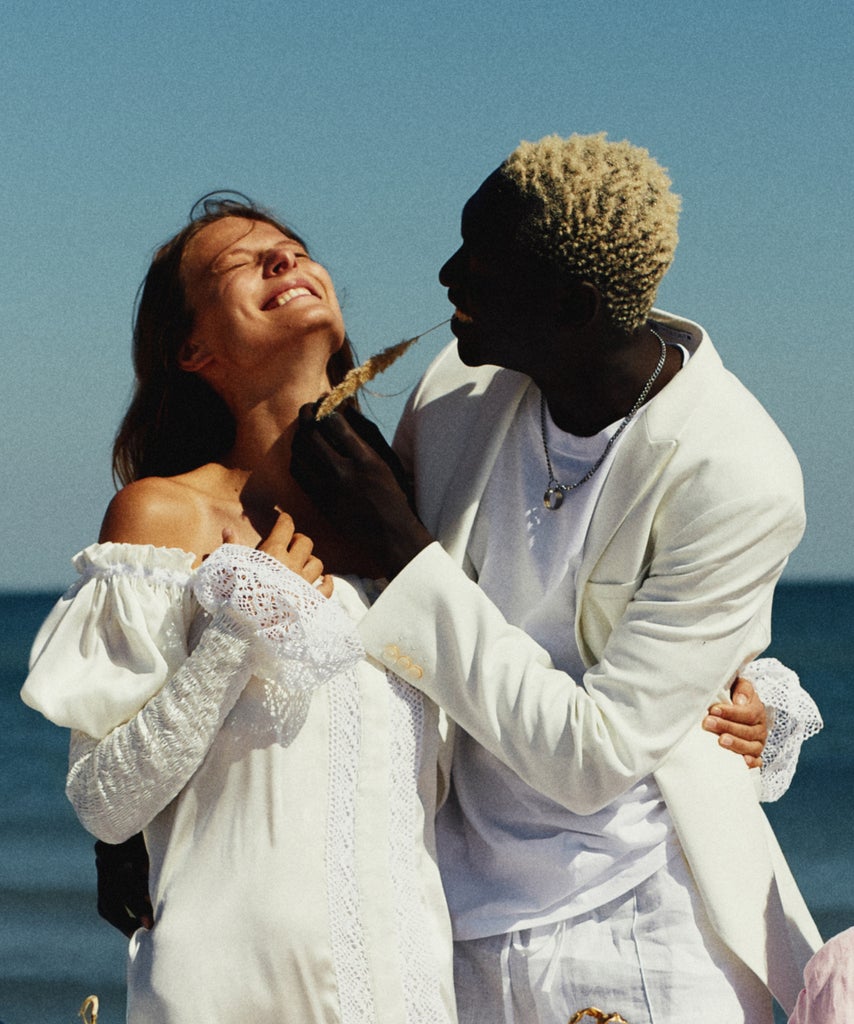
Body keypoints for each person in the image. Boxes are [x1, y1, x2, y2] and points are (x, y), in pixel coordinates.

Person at [290, 133, 823, 1023]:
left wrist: (405, 551)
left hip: (642, 926)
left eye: (480, 262)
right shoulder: (454, 391)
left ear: (573, 306)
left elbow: (590, 760)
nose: (446, 276)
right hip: (447, 918)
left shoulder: (739, 474)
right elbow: (360, 612)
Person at [21, 197, 458, 1024]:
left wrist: (714, 694)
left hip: (408, 992)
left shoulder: (410, 521)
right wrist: (239, 631)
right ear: (193, 350)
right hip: (227, 996)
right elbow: (104, 801)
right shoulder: (165, 517)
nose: (285, 262)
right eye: (243, 263)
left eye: (293, 250)